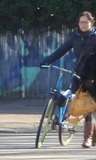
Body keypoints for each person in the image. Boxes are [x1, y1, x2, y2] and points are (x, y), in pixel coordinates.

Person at [40, 10, 96, 147]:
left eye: (86, 22)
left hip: (94, 76)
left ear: (92, 23)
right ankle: (87, 138)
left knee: (92, 107)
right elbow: (61, 50)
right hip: (80, 75)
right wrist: (47, 61)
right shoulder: (75, 38)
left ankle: (90, 138)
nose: (83, 24)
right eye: (81, 22)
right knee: (80, 103)